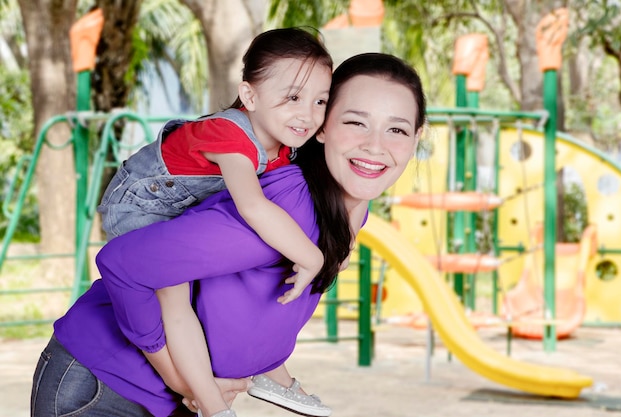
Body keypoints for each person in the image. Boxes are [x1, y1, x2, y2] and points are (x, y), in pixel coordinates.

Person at [30, 52, 427, 417]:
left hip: (175, 400)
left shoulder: (350, 206)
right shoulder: (288, 206)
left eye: (396, 129)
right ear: (322, 127)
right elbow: (122, 266)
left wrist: (271, 373)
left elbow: (251, 304)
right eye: (356, 122)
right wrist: (183, 381)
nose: (375, 146)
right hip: (106, 387)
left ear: (417, 138)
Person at [96, 27, 333, 416]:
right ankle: (210, 405)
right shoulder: (230, 134)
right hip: (142, 203)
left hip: (186, 205)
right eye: (293, 97)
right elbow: (253, 207)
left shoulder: (282, 141)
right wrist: (313, 258)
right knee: (176, 298)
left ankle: (270, 373)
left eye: (320, 100)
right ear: (250, 96)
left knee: (235, 282)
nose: (308, 114)